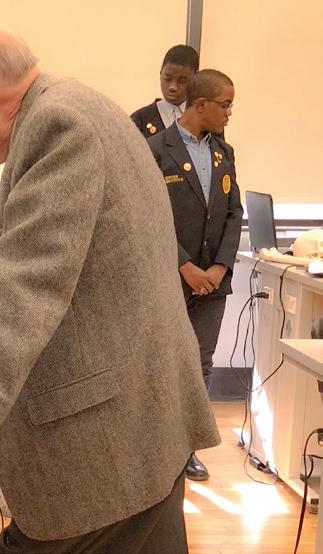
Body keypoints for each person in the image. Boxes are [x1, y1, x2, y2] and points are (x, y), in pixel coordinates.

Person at [0, 19, 220, 552]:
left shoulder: (57, 127)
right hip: (146, 430)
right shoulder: (84, 105)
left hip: (103, 451)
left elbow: (25, 290)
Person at [147, 69, 242, 482]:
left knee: (201, 363)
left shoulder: (224, 152)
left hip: (213, 283)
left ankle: (187, 449)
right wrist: (184, 266)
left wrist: (219, 267)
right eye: (225, 105)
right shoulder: (155, 150)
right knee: (162, 363)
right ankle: (156, 449)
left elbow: (234, 213)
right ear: (201, 105)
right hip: (170, 277)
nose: (229, 113)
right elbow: (149, 217)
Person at [131, 45, 200, 139]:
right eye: (168, 79)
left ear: (195, 78)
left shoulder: (203, 119)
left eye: (182, 81)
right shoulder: (140, 119)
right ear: (160, 74)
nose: (173, 87)